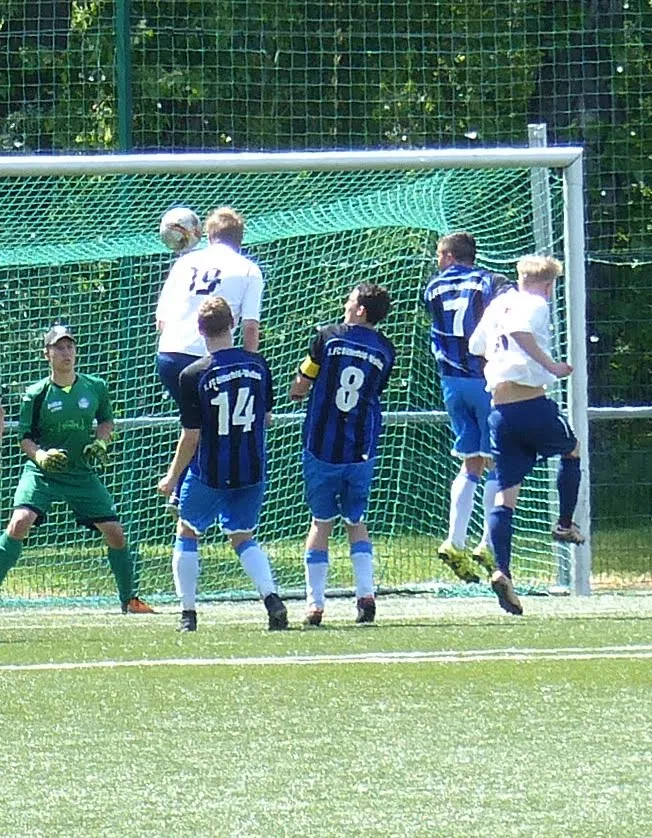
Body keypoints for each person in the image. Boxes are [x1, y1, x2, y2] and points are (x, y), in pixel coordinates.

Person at [0, 325, 153, 613]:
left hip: (80, 472)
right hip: (43, 473)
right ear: (47, 354)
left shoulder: (95, 386)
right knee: (19, 522)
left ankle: (130, 599)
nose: (66, 352)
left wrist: (101, 442)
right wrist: (41, 456)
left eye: (69, 346)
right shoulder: (36, 393)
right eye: (58, 347)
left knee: (115, 532)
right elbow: (25, 439)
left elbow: (106, 421)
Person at [157, 296, 287, 633]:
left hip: (210, 471)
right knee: (243, 535)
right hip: (251, 468)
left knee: (187, 530)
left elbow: (191, 436)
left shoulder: (193, 374)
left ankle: (188, 613)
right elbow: (267, 418)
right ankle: (271, 599)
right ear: (232, 324)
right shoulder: (259, 365)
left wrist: (171, 477)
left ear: (200, 330)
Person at [469, 255, 585, 615]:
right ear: (548, 286)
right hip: (531, 404)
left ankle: (503, 571)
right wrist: (551, 366)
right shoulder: (535, 304)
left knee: (506, 495)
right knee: (572, 449)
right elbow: (520, 331)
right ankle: (564, 525)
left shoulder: (498, 304)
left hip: (500, 412)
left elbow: (475, 346)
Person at [289, 284, 395, 626]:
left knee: (321, 522)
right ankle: (366, 596)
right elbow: (375, 390)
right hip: (361, 447)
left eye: (350, 300)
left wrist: (296, 391)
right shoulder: (386, 349)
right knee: (355, 520)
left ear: (360, 309)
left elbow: (302, 383)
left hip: (322, 444)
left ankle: (315, 604)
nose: (345, 304)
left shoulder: (327, 337)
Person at [155, 206, 265, 513]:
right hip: (208, 361)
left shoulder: (185, 261)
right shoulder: (248, 270)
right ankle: (187, 491)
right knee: (210, 429)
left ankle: (184, 489)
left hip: (169, 355)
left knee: (201, 426)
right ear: (240, 238)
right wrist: (249, 368)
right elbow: (250, 327)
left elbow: (160, 320)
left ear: (208, 234)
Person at [424, 231, 513, 584]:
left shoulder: (432, 287)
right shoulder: (489, 281)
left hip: (451, 381)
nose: (437, 261)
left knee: (470, 462)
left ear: (448, 256)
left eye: (439, 255)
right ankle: (487, 543)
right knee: (497, 461)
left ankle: (454, 541)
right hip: (483, 378)